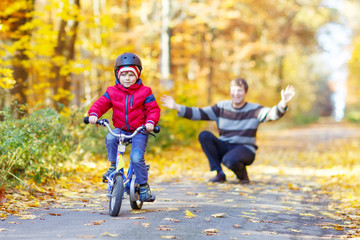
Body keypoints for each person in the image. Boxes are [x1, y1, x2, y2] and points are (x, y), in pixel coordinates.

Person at [161, 78, 295, 184]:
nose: (236, 94)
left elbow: (272, 114)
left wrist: (283, 103)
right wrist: (177, 107)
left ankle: (242, 175)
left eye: (240, 90)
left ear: (245, 92)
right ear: (230, 92)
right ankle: (219, 173)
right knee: (204, 136)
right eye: (234, 90)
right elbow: (200, 113)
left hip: (245, 148)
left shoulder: (254, 109)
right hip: (225, 145)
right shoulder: (221, 107)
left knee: (229, 160)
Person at [88, 52, 160, 201]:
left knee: (136, 157)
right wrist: (94, 114)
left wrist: (150, 123)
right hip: (121, 129)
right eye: (124, 75)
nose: (127, 78)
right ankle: (113, 166)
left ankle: (143, 185)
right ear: (117, 76)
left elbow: (153, 109)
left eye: (131, 75)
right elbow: (101, 104)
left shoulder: (145, 92)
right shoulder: (112, 91)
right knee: (110, 137)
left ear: (137, 75)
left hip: (139, 130)